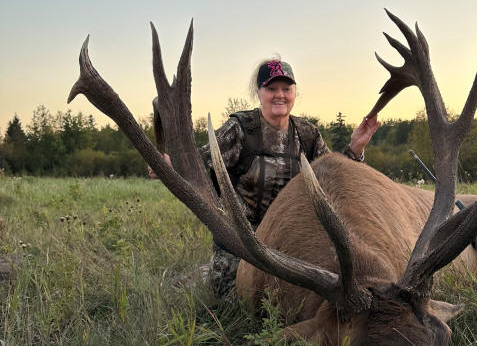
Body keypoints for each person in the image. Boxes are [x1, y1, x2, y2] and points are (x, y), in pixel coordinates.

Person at [150, 55, 380, 295]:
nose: (279, 95)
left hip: (289, 239)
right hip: (243, 242)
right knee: (231, 301)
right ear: (259, 93)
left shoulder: (307, 134)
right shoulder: (240, 129)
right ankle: (206, 273)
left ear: (294, 94)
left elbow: (333, 174)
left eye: (286, 88)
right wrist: (171, 165)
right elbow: (198, 163)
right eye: (271, 88)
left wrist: (354, 149)